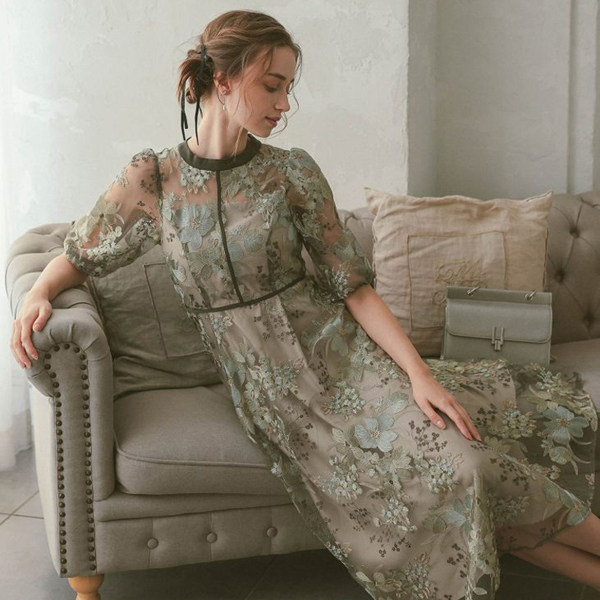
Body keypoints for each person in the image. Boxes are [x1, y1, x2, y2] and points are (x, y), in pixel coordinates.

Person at [10, 9, 600, 599]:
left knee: (468, 466)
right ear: (223, 79)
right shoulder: (153, 178)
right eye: (273, 86)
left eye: (288, 87)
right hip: (275, 395)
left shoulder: (290, 172)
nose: (284, 103)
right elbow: (83, 250)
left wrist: (418, 374)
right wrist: (38, 292)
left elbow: (354, 287)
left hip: (346, 361)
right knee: (452, 478)